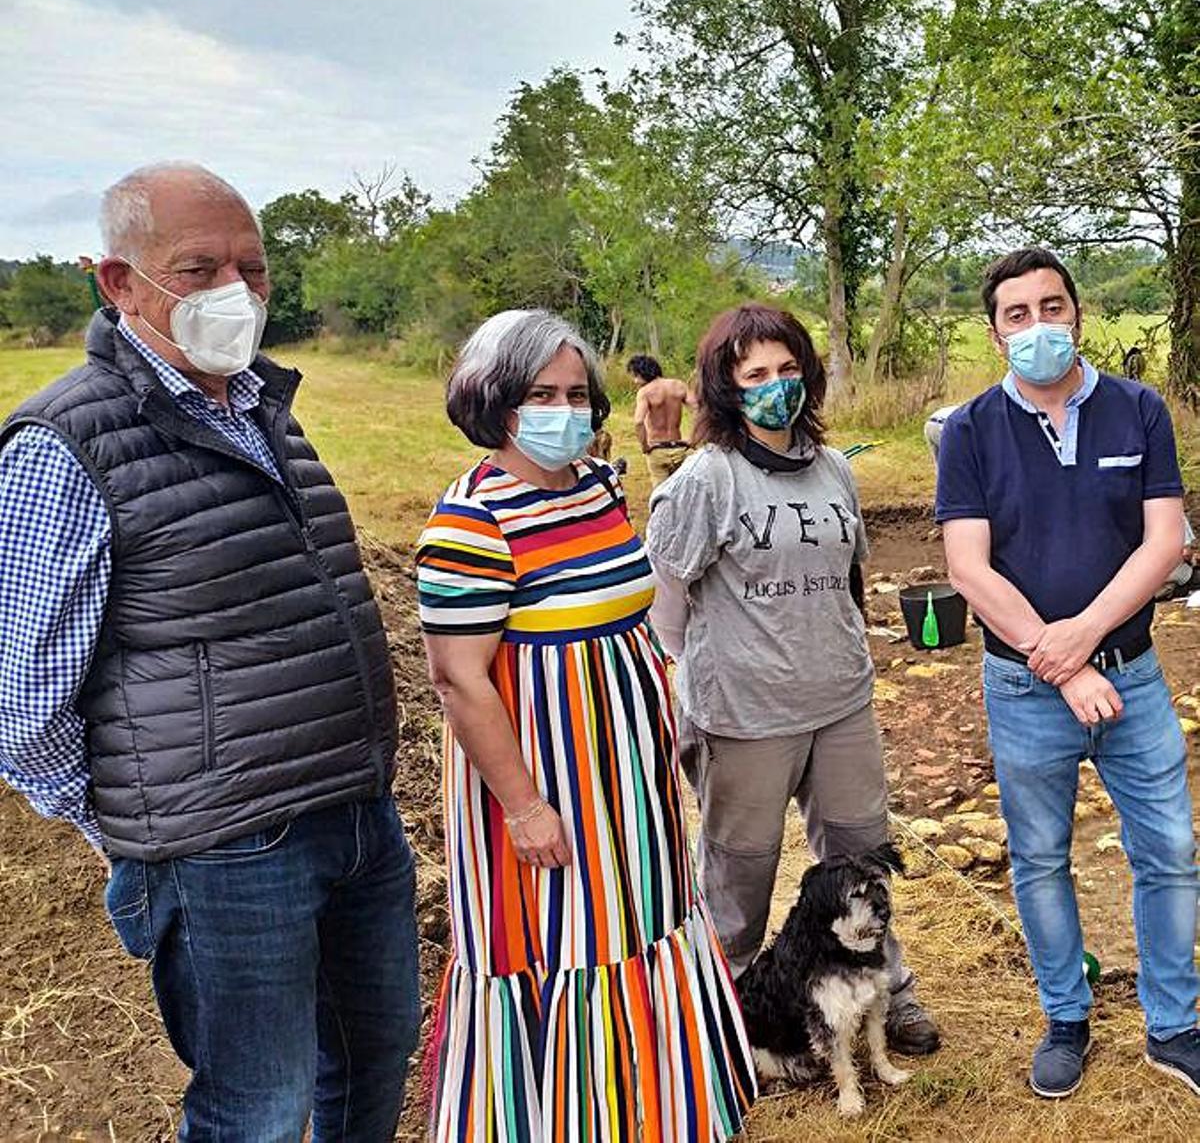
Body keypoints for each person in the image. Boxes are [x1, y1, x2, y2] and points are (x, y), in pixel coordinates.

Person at [0, 163, 421, 1140]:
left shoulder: (264, 407)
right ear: (119, 284)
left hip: (356, 816)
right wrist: (149, 832)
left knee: (370, 1061)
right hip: (225, 854)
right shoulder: (65, 443)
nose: (235, 292)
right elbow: (23, 702)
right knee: (255, 1110)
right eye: (199, 268)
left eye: (253, 269)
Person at [416, 309, 755, 1142]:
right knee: (568, 946)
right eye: (541, 393)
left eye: (576, 393)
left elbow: (629, 623)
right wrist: (526, 807)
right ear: (496, 401)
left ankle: (654, 1112)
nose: (564, 409)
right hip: (547, 790)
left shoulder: (599, 488)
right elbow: (460, 681)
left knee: (644, 925)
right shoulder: (471, 524)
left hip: (629, 779)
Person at [936, 247, 1200, 1099]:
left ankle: (1175, 1023)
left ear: (1078, 313)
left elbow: (1165, 541)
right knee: (1040, 857)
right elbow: (970, 567)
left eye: (1053, 306)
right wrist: (1058, 666)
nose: (1038, 326)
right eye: (1018, 314)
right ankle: (1067, 1017)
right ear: (995, 332)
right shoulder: (970, 430)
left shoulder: (1138, 410)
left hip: (1134, 675)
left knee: (1169, 851)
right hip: (1023, 691)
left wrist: (1082, 639)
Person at [644, 302, 941, 1058]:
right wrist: (706, 684)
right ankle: (733, 1010)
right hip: (744, 717)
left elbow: (848, 576)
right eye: (756, 375)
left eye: (787, 370)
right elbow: (666, 606)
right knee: (740, 874)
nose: (776, 386)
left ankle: (887, 990)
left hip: (839, 702)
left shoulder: (834, 469)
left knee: (863, 859)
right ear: (727, 388)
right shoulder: (706, 481)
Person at [628, 353, 693, 486]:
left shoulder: (645, 392)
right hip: (679, 448)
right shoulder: (679, 385)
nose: (635, 381)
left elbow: (638, 422)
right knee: (682, 493)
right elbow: (699, 409)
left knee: (661, 496)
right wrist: (693, 438)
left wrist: (645, 446)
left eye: (636, 376)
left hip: (657, 450)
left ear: (643, 372)